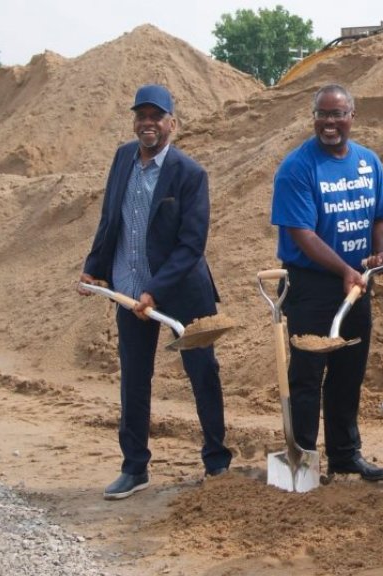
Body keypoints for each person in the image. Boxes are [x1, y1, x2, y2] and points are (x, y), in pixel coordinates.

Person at [78, 84, 232, 500]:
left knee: (203, 375)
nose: (148, 123)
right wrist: (95, 269)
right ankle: (134, 468)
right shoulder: (122, 158)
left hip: (183, 293)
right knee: (134, 378)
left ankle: (217, 462)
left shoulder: (189, 173)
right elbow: (110, 218)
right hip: (129, 291)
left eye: (156, 116)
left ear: (172, 124)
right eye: (141, 116)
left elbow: (191, 245)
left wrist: (155, 291)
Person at [270, 84, 383, 482]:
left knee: (348, 373)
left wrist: (377, 256)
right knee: (307, 374)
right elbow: (301, 234)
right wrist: (344, 270)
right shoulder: (297, 167)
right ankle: (303, 458)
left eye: (338, 114)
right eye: (322, 114)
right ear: (314, 118)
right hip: (312, 287)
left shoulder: (368, 162)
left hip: (357, 283)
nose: (329, 122)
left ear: (352, 117)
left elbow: (382, 217)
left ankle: (344, 454)